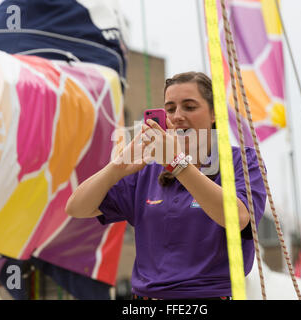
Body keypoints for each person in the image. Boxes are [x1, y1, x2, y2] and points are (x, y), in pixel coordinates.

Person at [65, 71, 267, 300]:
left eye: (189, 107)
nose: (178, 116)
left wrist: (178, 165)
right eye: (170, 109)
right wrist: (117, 168)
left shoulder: (241, 161)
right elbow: (76, 208)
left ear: (214, 113)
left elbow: (237, 218)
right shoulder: (147, 170)